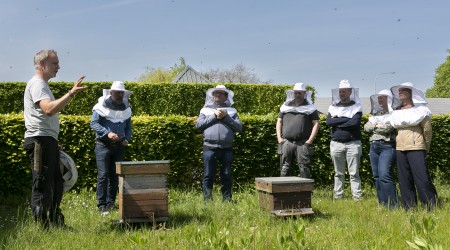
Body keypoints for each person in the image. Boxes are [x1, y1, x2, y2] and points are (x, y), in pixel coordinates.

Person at [23, 49, 87, 228]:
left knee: (56, 183)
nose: (59, 66)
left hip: (45, 140)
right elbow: (48, 109)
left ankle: (55, 222)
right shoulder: (37, 84)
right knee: (43, 183)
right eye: (55, 63)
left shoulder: (42, 84)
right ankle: (43, 227)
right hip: (39, 141)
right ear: (43, 64)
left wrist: (53, 141)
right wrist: (71, 93)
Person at [389, 82, 438, 210]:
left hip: (416, 148)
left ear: (412, 94)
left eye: (404, 90)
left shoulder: (421, 111)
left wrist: (424, 148)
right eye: (399, 91)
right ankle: (409, 207)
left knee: (422, 178)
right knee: (404, 179)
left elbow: (427, 131)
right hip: (400, 148)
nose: (400, 92)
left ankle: (430, 206)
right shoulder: (396, 112)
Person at [90, 81, 132, 215]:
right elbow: (93, 123)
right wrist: (107, 133)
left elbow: (128, 127)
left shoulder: (126, 108)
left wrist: (126, 139)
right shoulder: (100, 107)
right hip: (103, 145)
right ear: (111, 93)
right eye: (118, 92)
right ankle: (101, 205)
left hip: (119, 147)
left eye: (122, 93)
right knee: (103, 175)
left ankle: (110, 203)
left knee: (115, 176)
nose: (120, 95)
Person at [195, 85, 242, 201]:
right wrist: (215, 116)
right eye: (216, 93)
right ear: (213, 96)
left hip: (227, 148)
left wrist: (226, 117)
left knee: (226, 175)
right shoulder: (205, 110)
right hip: (209, 148)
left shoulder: (232, 111)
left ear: (226, 96)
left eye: (221, 93)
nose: (218, 95)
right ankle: (207, 200)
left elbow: (239, 127)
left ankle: (227, 200)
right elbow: (199, 125)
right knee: (208, 175)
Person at [326, 80, 363, 200]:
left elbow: (355, 122)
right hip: (336, 143)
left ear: (350, 92)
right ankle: (338, 196)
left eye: (344, 91)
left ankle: (357, 197)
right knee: (338, 173)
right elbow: (329, 122)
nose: (342, 93)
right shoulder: (333, 107)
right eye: (340, 91)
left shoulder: (357, 106)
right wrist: (346, 119)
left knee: (354, 173)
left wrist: (338, 122)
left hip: (353, 143)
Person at [276, 83, 319, 178]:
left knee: (304, 168)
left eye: (300, 93)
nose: (297, 95)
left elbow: (316, 124)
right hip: (286, 142)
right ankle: (283, 192)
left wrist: (309, 141)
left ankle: (305, 192)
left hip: (303, 143)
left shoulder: (311, 108)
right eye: (296, 93)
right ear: (293, 93)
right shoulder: (285, 106)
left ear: (304, 93)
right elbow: (279, 122)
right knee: (284, 168)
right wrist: (279, 138)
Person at [363, 89, 398, 208]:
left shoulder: (394, 113)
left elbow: (387, 129)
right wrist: (377, 125)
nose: (379, 100)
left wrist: (374, 125)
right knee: (376, 175)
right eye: (378, 98)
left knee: (385, 175)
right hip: (373, 145)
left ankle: (392, 205)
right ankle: (382, 203)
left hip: (387, 146)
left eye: (382, 97)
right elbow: (366, 128)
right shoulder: (376, 114)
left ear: (388, 99)